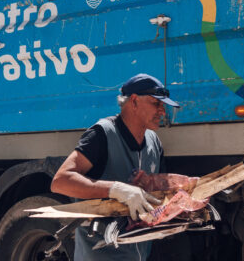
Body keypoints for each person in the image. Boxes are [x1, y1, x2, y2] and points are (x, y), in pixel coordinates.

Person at [51, 73, 179, 260]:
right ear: (134, 101)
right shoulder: (103, 134)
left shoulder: (154, 142)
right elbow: (60, 181)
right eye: (156, 104)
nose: (162, 111)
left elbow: (158, 191)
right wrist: (116, 189)